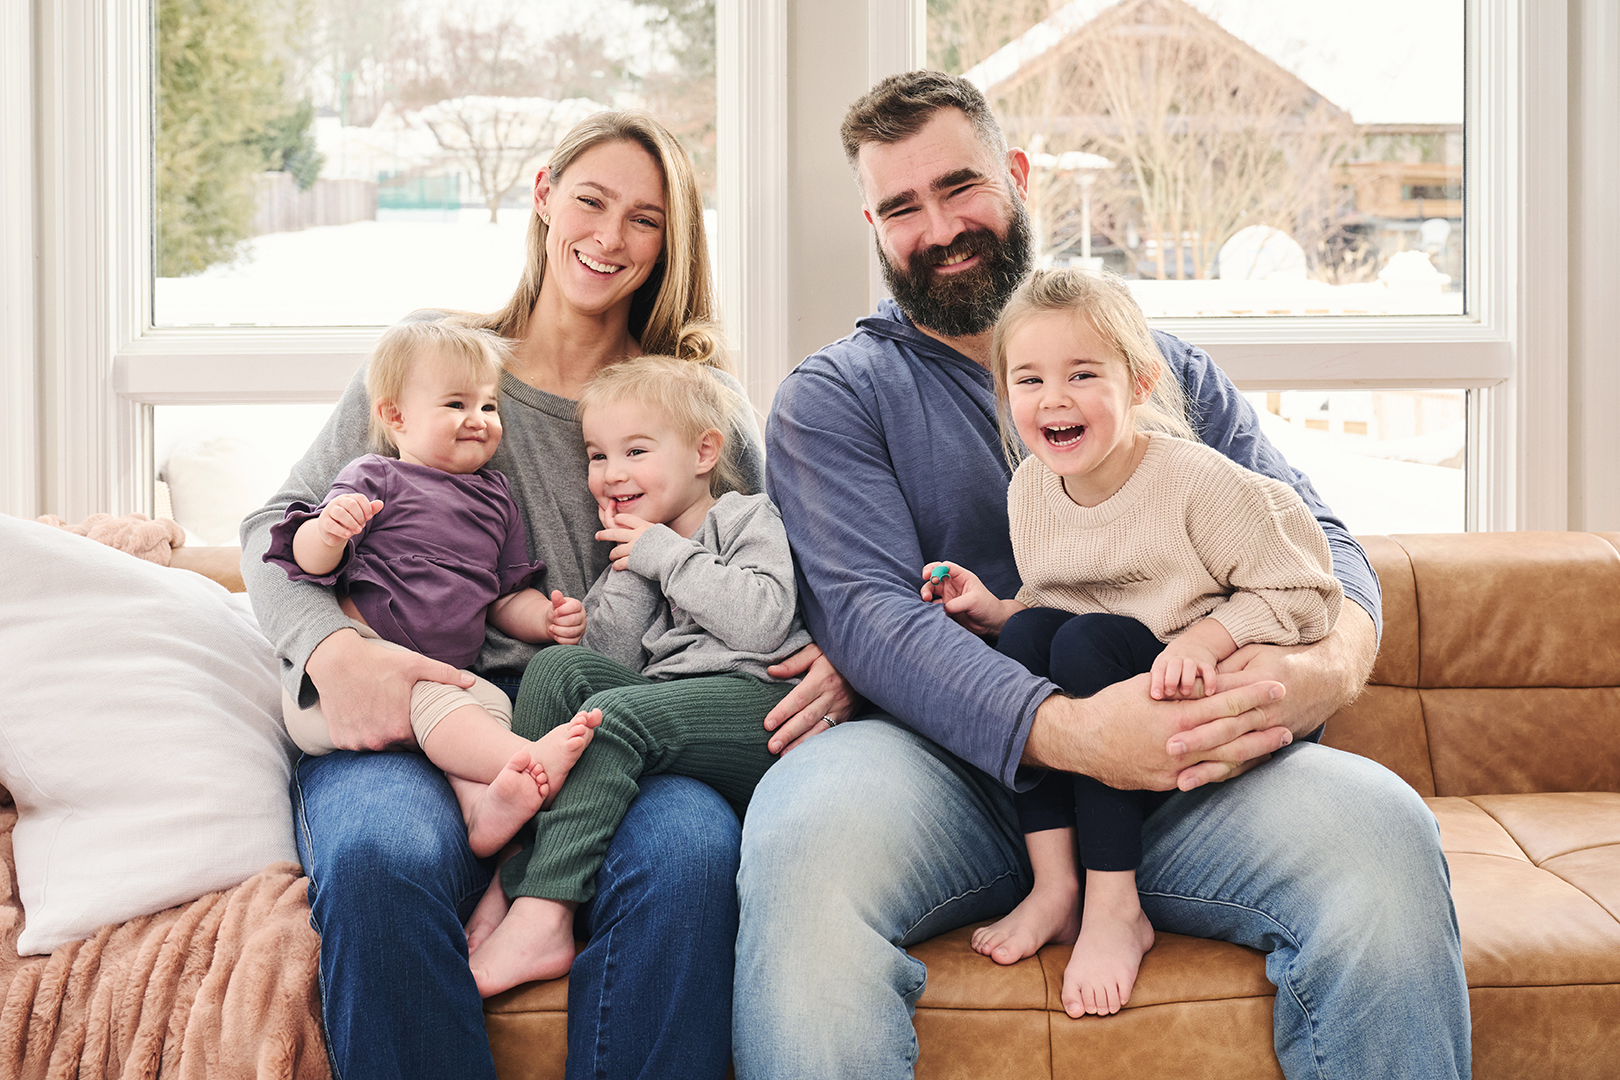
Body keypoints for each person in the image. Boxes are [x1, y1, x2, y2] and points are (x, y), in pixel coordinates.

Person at [738, 70, 1469, 1080]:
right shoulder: (837, 396)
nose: (941, 226)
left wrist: (1327, 669)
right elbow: (867, 618)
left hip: (1182, 766)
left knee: (1383, 834)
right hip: (938, 774)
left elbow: (1321, 545)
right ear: (873, 223)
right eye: (903, 207)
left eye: (963, 187)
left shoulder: (1158, 366)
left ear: (1020, 177)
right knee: (801, 841)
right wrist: (1076, 732)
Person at [241, 110, 852, 1080]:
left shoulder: (700, 408)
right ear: (542, 197)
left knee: (689, 855)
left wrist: (839, 649)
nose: (611, 238)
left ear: (671, 244)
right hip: (425, 718)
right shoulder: (434, 364)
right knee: (375, 860)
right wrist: (328, 651)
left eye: (645, 221)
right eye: (592, 203)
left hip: (619, 728)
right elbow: (272, 527)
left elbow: (792, 568)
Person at [920, 267, 1342, 1018]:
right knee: (1032, 640)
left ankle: (1118, 907)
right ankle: (1058, 885)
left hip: (1200, 702)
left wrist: (1210, 638)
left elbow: (1307, 591)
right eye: (1029, 379)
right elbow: (1061, 608)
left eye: (1083, 374)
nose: (1054, 398)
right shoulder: (1031, 490)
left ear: (1140, 382)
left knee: (1081, 646)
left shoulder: (1196, 484)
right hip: (1116, 670)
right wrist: (995, 611)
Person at [465, 355, 812, 998]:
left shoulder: (744, 518)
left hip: (760, 704)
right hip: (671, 705)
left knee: (613, 719)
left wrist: (665, 555)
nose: (612, 473)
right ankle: (514, 871)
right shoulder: (635, 550)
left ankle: (545, 915)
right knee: (555, 670)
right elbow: (614, 665)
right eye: (598, 456)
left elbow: (764, 621)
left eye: (635, 451)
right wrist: (616, 586)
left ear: (705, 450)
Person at [263, 319, 599, 859]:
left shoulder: (495, 499)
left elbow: (504, 597)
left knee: (486, 705)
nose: (478, 420)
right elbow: (302, 559)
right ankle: (529, 761)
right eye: (456, 405)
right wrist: (327, 530)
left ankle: (482, 809)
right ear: (396, 416)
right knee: (446, 708)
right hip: (353, 682)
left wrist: (544, 619)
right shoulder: (374, 477)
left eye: (488, 407)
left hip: (445, 681)